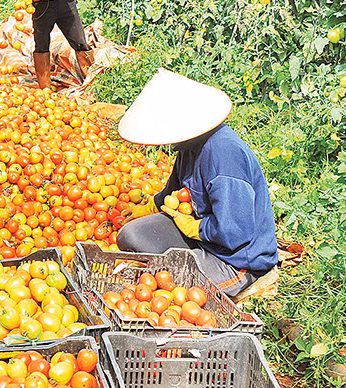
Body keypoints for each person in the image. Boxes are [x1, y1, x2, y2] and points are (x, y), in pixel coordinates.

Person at [115, 68, 278, 297]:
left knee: (169, 286)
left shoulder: (223, 154)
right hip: (205, 243)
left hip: (234, 260)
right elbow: (172, 190)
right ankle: (177, 266)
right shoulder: (189, 146)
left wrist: (195, 228)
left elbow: (235, 232)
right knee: (130, 235)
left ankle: (194, 277)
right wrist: (148, 208)